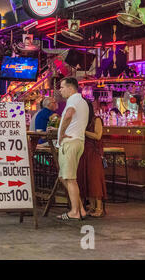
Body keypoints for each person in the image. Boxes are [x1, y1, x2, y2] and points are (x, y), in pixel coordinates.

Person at [56, 77, 89, 221]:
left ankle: (75, 211)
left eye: (62, 87)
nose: (60, 90)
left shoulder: (74, 101)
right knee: (64, 177)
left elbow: (68, 115)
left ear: (70, 88)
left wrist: (62, 133)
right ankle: (80, 208)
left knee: (69, 178)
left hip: (70, 142)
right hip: (77, 141)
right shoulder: (81, 101)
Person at [77, 101, 107, 218]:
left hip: (94, 153)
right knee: (86, 179)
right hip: (84, 152)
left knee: (95, 180)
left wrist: (83, 131)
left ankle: (99, 208)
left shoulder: (96, 120)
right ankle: (92, 206)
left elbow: (98, 136)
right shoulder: (83, 121)